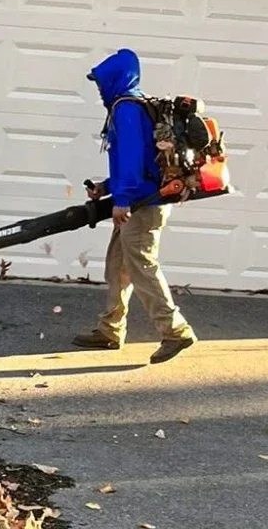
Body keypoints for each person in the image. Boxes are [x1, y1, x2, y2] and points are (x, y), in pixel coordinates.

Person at [72, 48, 197, 362]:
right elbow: (143, 163)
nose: (99, 87)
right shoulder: (134, 104)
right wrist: (106, 187)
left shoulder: (126, 108)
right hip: (141, 199)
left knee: (143, 268)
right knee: (118, 266)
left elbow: (130, 160)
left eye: (101, 81)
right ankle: (110, 330)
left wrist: (122, 199)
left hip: (143, 205)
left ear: (115, 79)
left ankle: (176, 331)